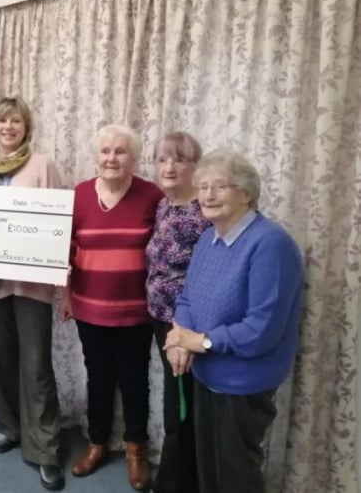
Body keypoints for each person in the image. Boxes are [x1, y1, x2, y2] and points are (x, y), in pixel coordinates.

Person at [164, 149, 304, 493]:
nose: (208, 195)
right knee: (208, 470)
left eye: (220, 186)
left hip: (242, 382)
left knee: (235, 475)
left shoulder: (271, 244)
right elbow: (187, 300)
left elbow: (261, 331)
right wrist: (179, 336)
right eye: (203, 187)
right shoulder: (207, 239)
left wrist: (201, 342)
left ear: (246, 193)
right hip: (205, 373)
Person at [0, 96, 65, 491]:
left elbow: (59, 222)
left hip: (31, 283)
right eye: (3, 121)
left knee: (36, 365)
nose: (9, 127)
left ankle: (45, 449)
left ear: (27, 127)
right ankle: (9, 426)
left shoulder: (42, 166)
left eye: (16, 121)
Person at [62, 124, 163, 491]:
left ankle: (136, 451)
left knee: (135, 381)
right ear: (96, 156)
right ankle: (97, 444)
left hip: (137, 311)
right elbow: (66, 252)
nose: (112, 158)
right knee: (99, 378)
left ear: (133, 158)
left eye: (120, 152)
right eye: (105, 151)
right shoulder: (79, 195)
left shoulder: (152, 195)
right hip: (90, 308)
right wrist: (67, 297)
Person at [145, 132, 209, 493]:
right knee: (176, 399)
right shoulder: (164, 205)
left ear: (194, 167)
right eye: (163, 159)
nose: (169, 167)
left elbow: (212, 274)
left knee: (182, 405)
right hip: (159, 318)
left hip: (186, 323)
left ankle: (173, 484)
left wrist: (186, 327)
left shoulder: (205, 211)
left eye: (180, 160)